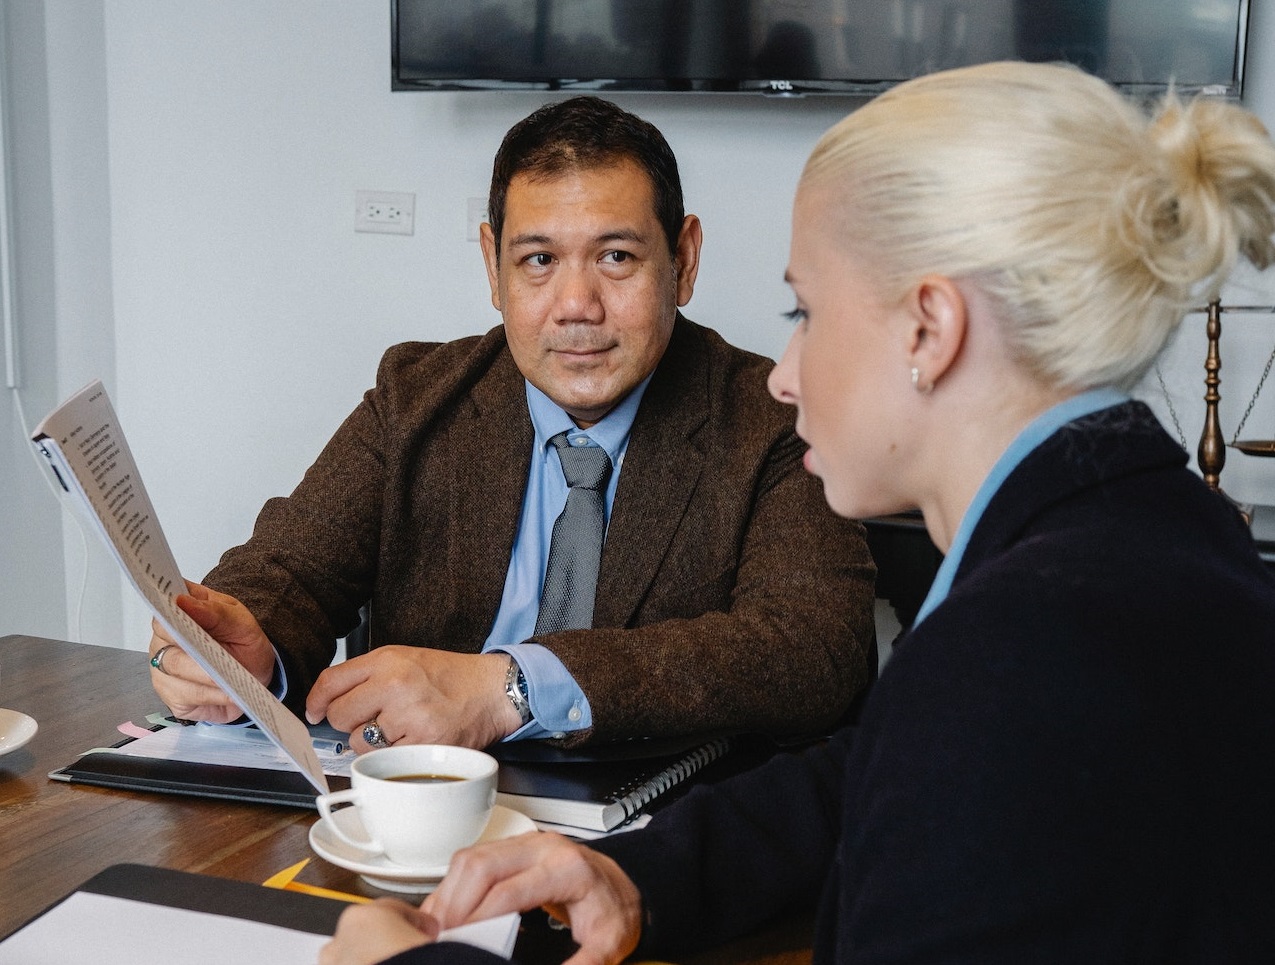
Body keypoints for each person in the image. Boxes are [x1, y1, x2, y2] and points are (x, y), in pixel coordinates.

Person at [319, 61, 1275, 964]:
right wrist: (630, 876)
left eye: (804, 315)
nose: (783, 372)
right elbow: (880, 774)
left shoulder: (1019, 651)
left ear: (930, 329)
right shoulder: (1139, 539)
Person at [145, 95, 877, 752]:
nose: (575, 305)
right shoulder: (416, 397)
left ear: (682, 261)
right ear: (493, 267)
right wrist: (248, 648)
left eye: (616, 257)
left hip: (651, 841)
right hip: (421, 817)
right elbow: (289, 571)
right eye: (538, 260)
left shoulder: (770, 419)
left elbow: (815, 649)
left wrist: (511, 687)